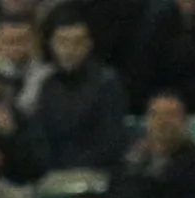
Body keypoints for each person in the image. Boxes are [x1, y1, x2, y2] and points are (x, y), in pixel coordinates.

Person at [31, 7, 131, 175]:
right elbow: (40, 138)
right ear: (51, 44)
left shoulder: (107, 82)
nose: (70, 49)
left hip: (97, 174)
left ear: (89, 44)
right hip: (53, 174)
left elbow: (110, 140)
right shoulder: (47, 84)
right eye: (63, 42)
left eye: (78, 42)